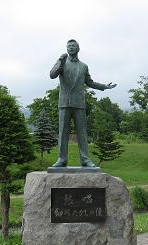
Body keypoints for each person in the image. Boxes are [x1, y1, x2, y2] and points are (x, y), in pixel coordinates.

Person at [50, 39, 116, 167]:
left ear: (78, 49)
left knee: (82, 132)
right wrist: (60, 62)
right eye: (69, 46)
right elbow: (52, 75)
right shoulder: (62, 62)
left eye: (73, 46)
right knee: (63, 133)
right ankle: (62, 159)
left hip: (79, 103)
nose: (71, 48)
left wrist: (104, 86)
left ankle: (85, 159)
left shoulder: (84, 66)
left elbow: (90, 82)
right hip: (64, 103)